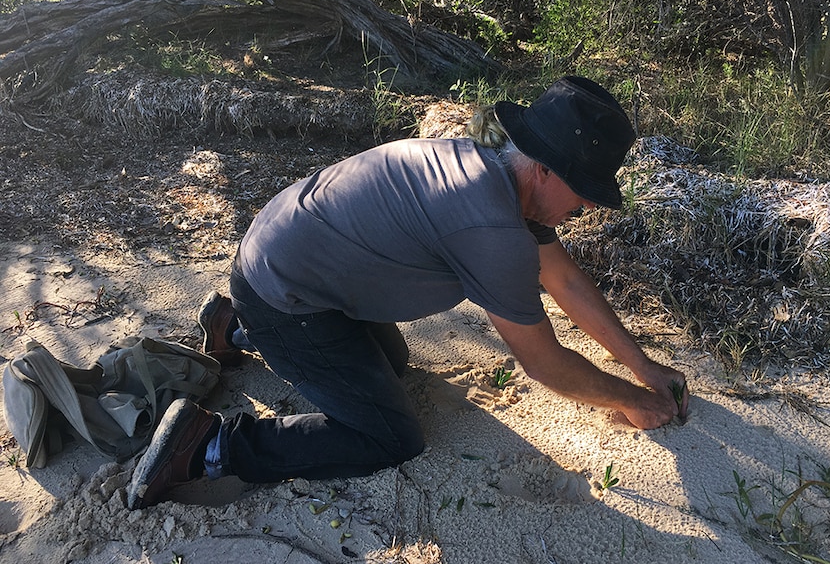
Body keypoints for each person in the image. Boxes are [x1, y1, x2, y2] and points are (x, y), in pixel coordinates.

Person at [127, 76, 689, 510]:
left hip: (287, 259)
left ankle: (236, 329)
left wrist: (642, 367)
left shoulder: (491, 162)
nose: (589, 206)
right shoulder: (490, 228)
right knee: (387, 434)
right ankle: (207, 445)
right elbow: (543, 361)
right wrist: (636, 403)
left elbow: (563, 279)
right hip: (286, 292)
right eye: (585, 190)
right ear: (543, 168)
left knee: (392, 365)